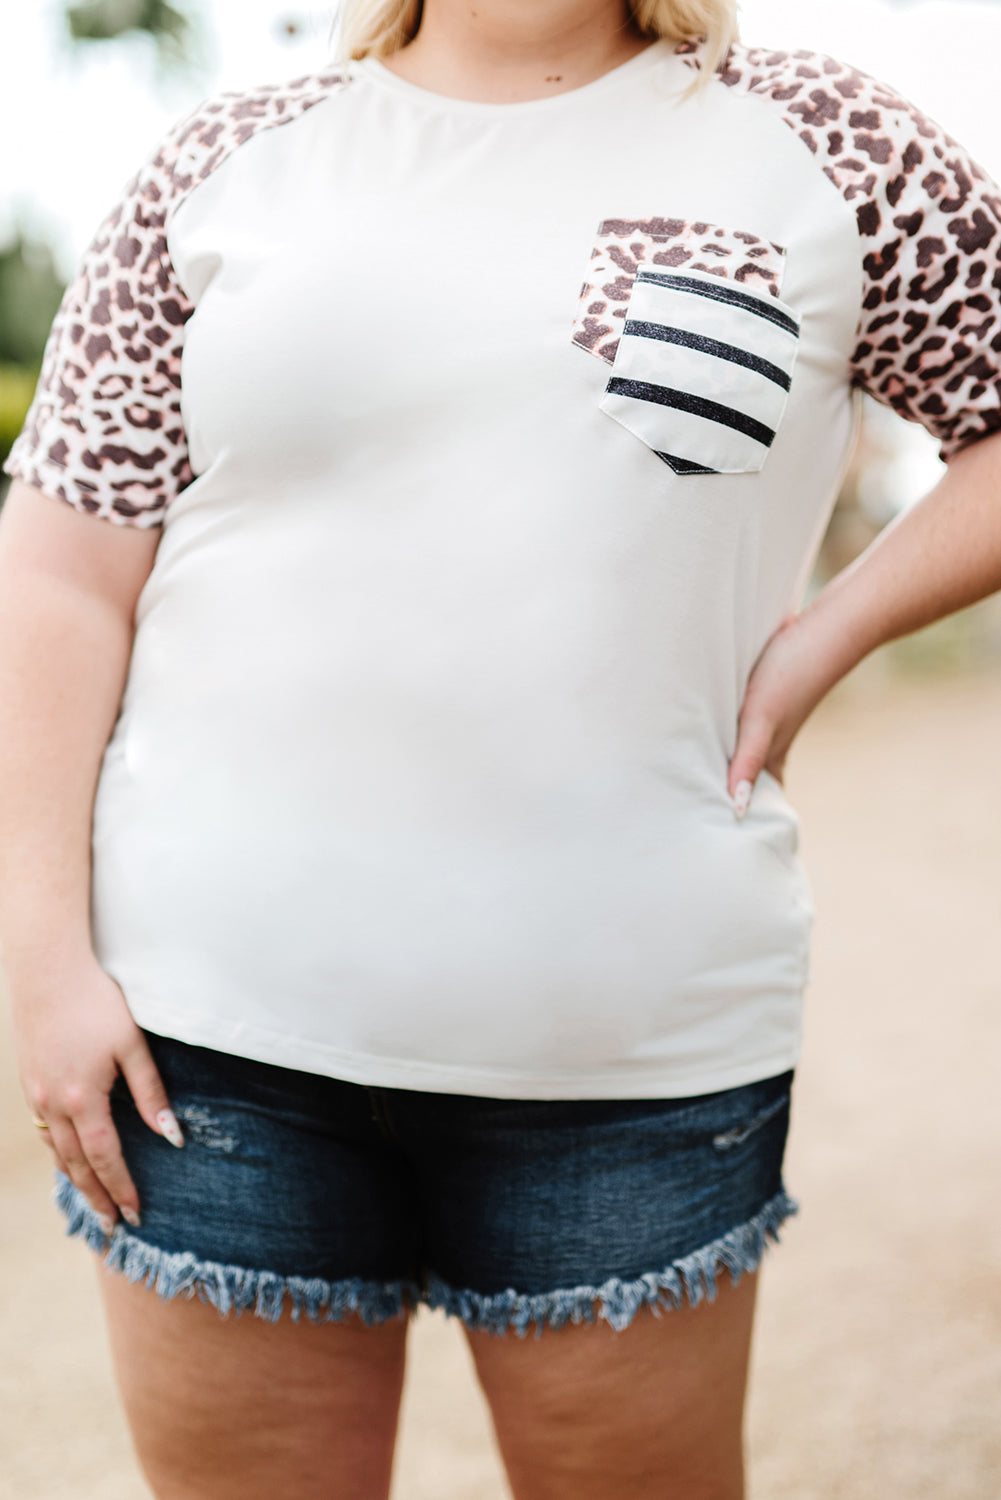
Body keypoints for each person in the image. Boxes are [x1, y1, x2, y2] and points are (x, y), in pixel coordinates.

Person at [2, 0, 1001, 1495]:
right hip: (208, 1046)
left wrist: (821, 637)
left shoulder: (824, 147)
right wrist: (39, 954)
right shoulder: (225, 158)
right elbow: (65, 570)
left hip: (630, 1044)